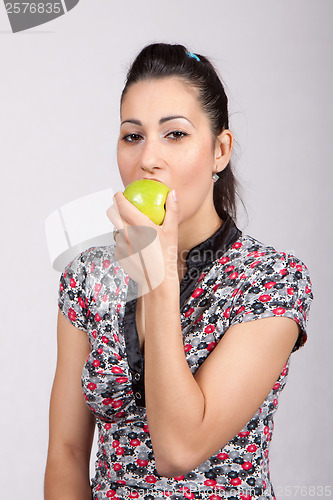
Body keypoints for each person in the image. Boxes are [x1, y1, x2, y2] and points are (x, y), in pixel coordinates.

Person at [44, 43, 313, 500]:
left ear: (220, 150)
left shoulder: (271, 281)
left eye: (175, 135)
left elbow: (179, 450)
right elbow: (66, 452)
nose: (148, 159)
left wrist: (159, 278)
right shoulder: (88, 278)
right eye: (133, 136)